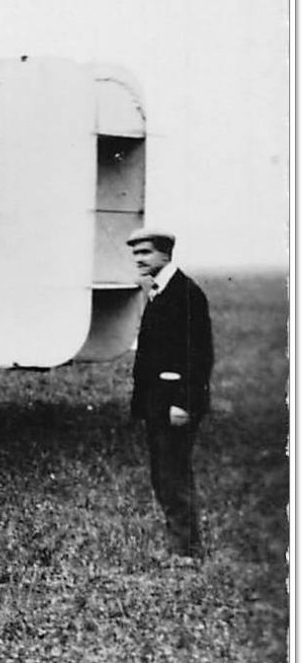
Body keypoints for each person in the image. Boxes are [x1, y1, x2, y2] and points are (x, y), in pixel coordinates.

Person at [126, 227, 213, 561]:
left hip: (174, 401)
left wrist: (184, 402)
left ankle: (187, 551)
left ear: (165, 254)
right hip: (157, 402)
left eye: (145, 253)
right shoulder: (159, 291)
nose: (139, 259)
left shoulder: (185, 293)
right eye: (136, 253)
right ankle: (181, 546)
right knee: (164, 475)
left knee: (174, 475)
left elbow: (199, 354)